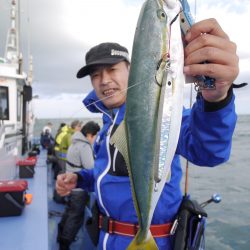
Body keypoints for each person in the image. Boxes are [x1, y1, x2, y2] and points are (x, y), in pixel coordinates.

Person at [56, 18, 239, 250]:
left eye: (112, 69)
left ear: (131, 70)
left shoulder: (160, 112)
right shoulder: (106, 123)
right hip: (102, 239)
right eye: (95, 75)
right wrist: (81, 179)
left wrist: (216, 99)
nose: (104, 81)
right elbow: (107, 175)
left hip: (154, 241)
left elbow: (208, 151)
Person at [57, 121, 100, 250]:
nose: (95, 140)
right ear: (89, 135)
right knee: (76, 217)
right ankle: (65, 243)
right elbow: (91, 167)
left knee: (69, 212)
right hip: (79, 188)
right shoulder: (85, 146)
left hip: (70, 184)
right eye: (95, 136)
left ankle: (60, 236)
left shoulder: (74, 142)